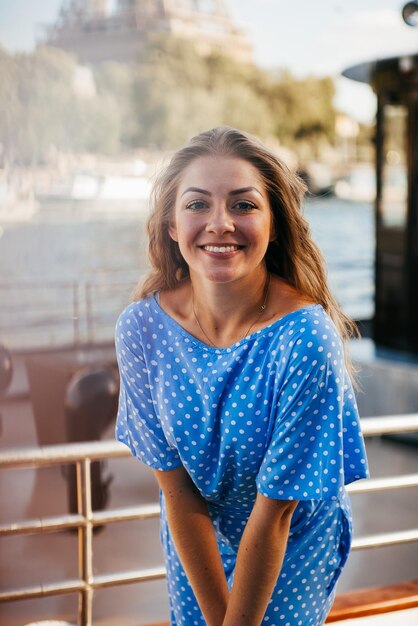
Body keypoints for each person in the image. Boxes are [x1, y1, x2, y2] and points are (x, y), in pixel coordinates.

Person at [115, 127, 369, 626]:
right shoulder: (141, 329)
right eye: (197, 205)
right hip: (196, 533)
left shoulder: (305, 338)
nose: (219, 224)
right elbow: (176, 489)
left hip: (291, 537)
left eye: (243, 205)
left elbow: (275, 514)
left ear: (274, 224)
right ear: (170, 224)